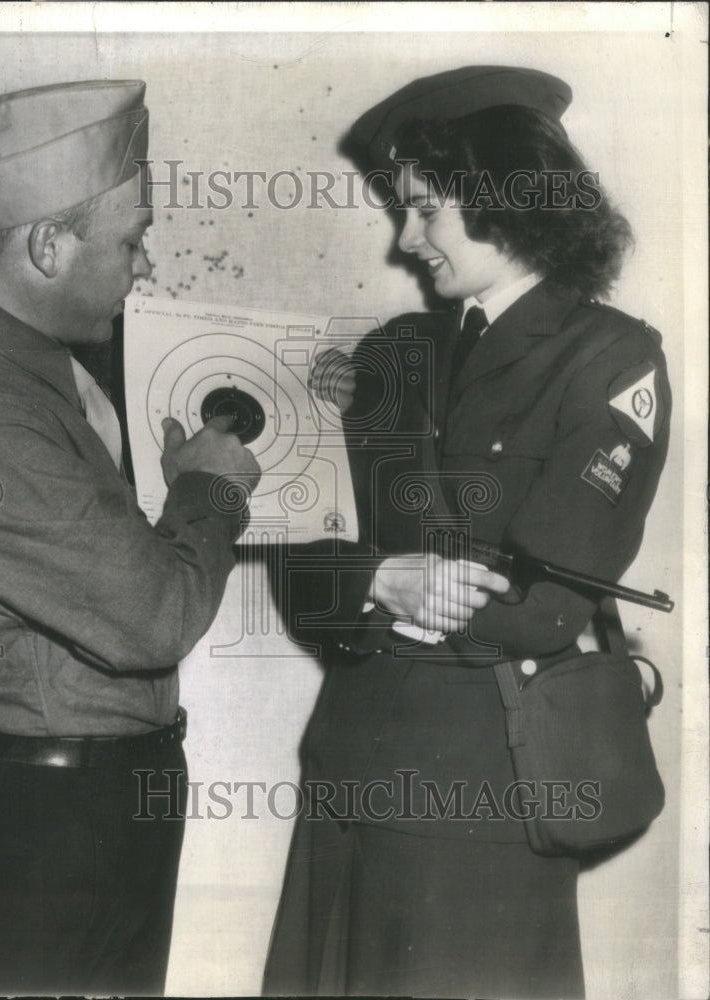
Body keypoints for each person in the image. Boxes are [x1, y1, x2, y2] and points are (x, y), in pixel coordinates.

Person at [264, 66, 670, 999]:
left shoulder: (610, 357)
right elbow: (301, 570)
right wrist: (379, 580)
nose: (406, 242)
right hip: (347, 770)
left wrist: (386, 582)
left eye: (427, 211)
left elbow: (539, 608)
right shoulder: (392, 355)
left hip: (480, 789)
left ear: (505, 200)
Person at [0, 79, 260, 997]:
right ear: (49, 244)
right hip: (41, 844)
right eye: (131, 241)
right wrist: (211, 490)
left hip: (74, 820)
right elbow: (155, 615)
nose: (142, 266)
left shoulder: (23, 366)